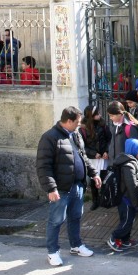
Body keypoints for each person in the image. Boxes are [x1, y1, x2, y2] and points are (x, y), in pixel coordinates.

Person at [36, 106, 102, 266]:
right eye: (78, 122)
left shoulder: (75, 135)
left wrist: (93, 173)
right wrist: (51, 188)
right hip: (60, 188)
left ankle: (76, 245)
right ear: (69, 121)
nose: (80, 125)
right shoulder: (49, 137)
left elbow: (83, 156)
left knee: (75, 217)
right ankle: (52, 252)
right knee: (56, 220)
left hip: (77, 185)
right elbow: (43, 166)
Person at [107, 138, 138, 252]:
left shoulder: (127, 161)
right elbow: (131, 185)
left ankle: (125, 240)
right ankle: (113, 238)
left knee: (128, 219)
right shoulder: (129, 165)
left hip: (125, 197)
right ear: (133, 149)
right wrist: (136, 200)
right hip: (127, 198)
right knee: (127, 220)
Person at [80, 104, 112, 210]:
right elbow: (82, 146)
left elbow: (109, 139)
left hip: (104, 158)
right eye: (97, 114)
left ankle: (105, 198)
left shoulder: (103, 125)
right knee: (94, 180)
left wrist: (106, 151)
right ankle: (95, 200)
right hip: (92, 159)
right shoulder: (83, 129)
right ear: (91, 116)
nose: (100, 115)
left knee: (104, 178)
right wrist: (94, 153)